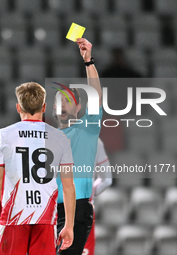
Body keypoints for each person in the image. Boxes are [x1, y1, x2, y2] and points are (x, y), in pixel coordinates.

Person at [0, 82, 76, 255]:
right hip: (46, 217)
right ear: (44, 107)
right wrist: (69, 225)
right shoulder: (60, 137)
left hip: (14, 215)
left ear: (18, 107)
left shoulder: (4, 134)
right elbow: (68, 187)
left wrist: (14, 205)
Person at [55, 38, 103, 255]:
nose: (62, 103)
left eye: (67, 99)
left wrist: (88, 62)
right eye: (59, 100)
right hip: (49, 211)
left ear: (79, 106)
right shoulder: (48, 137)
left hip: (77, 210)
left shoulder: (86, 129)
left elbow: (96, 98)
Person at [83, 138, 112, 255]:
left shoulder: (52, 138)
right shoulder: (95, 141)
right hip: (85, 208)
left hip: (59, 208)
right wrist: (90, 192)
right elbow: (106, 180)